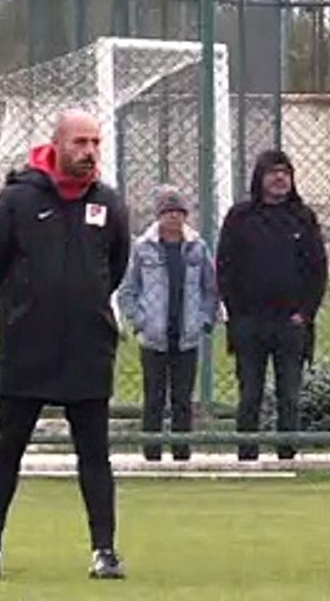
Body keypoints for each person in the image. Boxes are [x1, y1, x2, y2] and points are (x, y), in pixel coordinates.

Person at [0, 109, 131, 581]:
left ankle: (105, 550)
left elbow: (115, 267)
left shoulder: (110, 206)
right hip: (26, 348)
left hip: (87, 349)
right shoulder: (17, 201)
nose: (89, 152)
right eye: (79, 142)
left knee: (94, 454)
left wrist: (88, 304)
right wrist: (17, 306)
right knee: (8, 449)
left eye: (95, 143)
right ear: (55, 145)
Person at [217, 150, 328, 462]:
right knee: (250, 393)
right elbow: (225, 267)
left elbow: (317, 269)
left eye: (285, 172)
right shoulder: (240, 217)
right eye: (272, 172)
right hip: (250, 322)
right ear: (259, 177)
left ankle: (288, 454)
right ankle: (247, 455)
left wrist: (304, 314)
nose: (280, 178)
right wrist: (236, 313)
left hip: (290, 323)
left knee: (289, 395)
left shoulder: (303, 218)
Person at [118, 185, 219, 462]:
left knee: (183, 400)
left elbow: (210, 288)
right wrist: (139, 321)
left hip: (187, 335)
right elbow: (128, 289)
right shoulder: (142, 249)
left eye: (179, 212)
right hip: (154, 337)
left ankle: (181, 453)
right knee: (153, 398)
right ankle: (151, 454)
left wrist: (205, 320)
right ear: (158, 216)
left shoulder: (197, 248)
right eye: (168, 212)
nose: (173, 218)